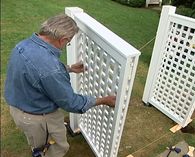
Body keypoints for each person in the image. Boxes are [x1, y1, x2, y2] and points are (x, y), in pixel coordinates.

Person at [4, 14, 116, 157]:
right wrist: (104, 100)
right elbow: (71, 103)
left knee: (37, 144)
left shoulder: (23, 45)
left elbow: (36, 70)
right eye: (68, 42)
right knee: (53, 149)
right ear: (63, 39)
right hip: (37, 117)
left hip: (19, 108)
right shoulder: (50, 68)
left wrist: (68, 68)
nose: (67, 45)